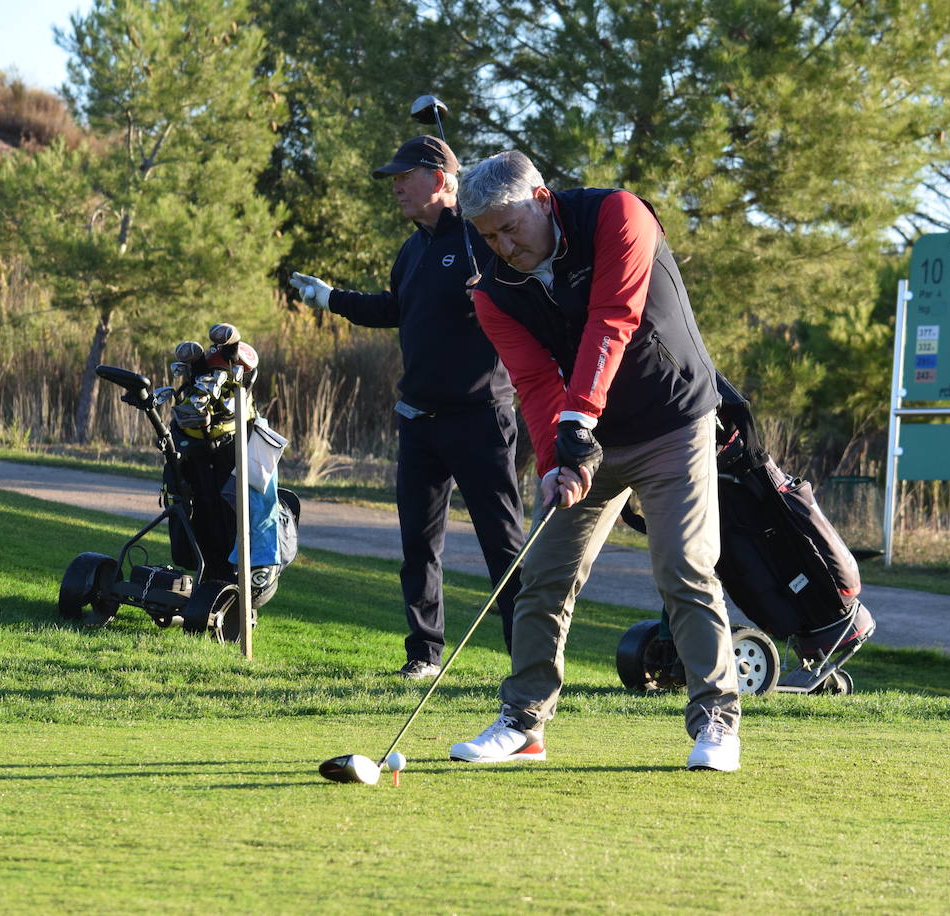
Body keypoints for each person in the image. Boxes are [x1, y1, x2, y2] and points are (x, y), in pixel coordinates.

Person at [447, 150, 741, 771]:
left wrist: (578, 422)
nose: (501, 246)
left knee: (684, 567)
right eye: (488, 235)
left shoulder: (620, 216)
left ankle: (716, 720)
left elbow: (614, 319)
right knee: (543, 573)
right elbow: (531, 380)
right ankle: (525, 724)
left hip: (673, 421)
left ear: (542, 199)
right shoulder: (492, 290)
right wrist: (558, 457)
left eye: (510, 227)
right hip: (589, 437)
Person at [289, 136, 524, 680]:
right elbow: (395, 308)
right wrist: (329, 298)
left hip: (480, 417)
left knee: (503, 545)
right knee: (418, 548)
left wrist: (491, 290)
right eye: (393, 178)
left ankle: (529, 659)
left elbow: (524, 292)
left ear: (441, 180)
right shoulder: (414, 248)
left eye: (405, 176)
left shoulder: (482, 238)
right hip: (419, 421)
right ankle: (424, 654)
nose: (395, 186)